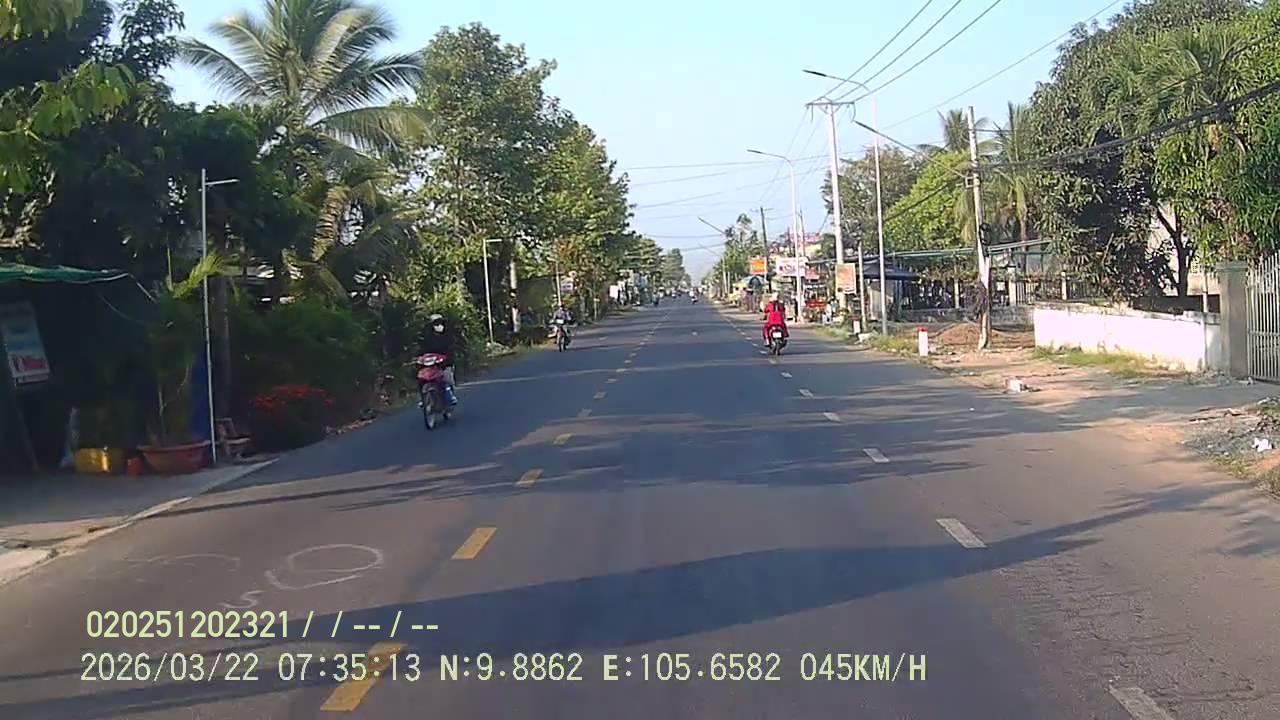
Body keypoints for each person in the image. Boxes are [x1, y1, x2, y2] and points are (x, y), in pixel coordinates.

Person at [416, 314, 458, 406]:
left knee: (447, 379)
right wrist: (419, 357)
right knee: (421, 378)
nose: (439, 326)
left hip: (445, 363)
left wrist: (448, 358)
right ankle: (422, 398)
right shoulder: (426, 336)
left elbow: (451, 348)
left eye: (440, 323)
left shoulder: (448, 335)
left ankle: (450, 396)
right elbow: (421, 349)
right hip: (430, 364)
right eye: (436, 324)